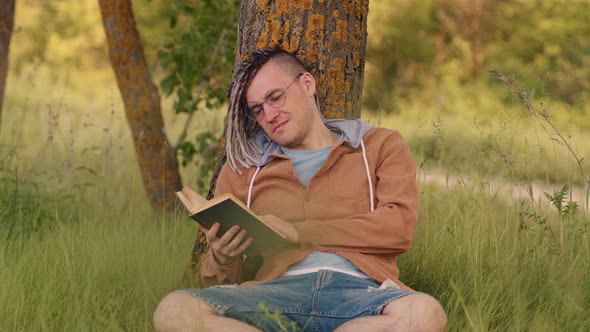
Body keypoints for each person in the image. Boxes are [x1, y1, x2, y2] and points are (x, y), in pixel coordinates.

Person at [153, 47, 447, 331]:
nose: (269, 114)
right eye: (258, 109)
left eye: (275, 97)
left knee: (424, 313)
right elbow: (222, 281)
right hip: (272, 295)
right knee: (174, 309)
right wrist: (221, 257)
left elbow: (398, 228)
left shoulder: (379, 145)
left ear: (307, 84)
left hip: (360, 294)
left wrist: (299, 232)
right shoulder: (243, 170)